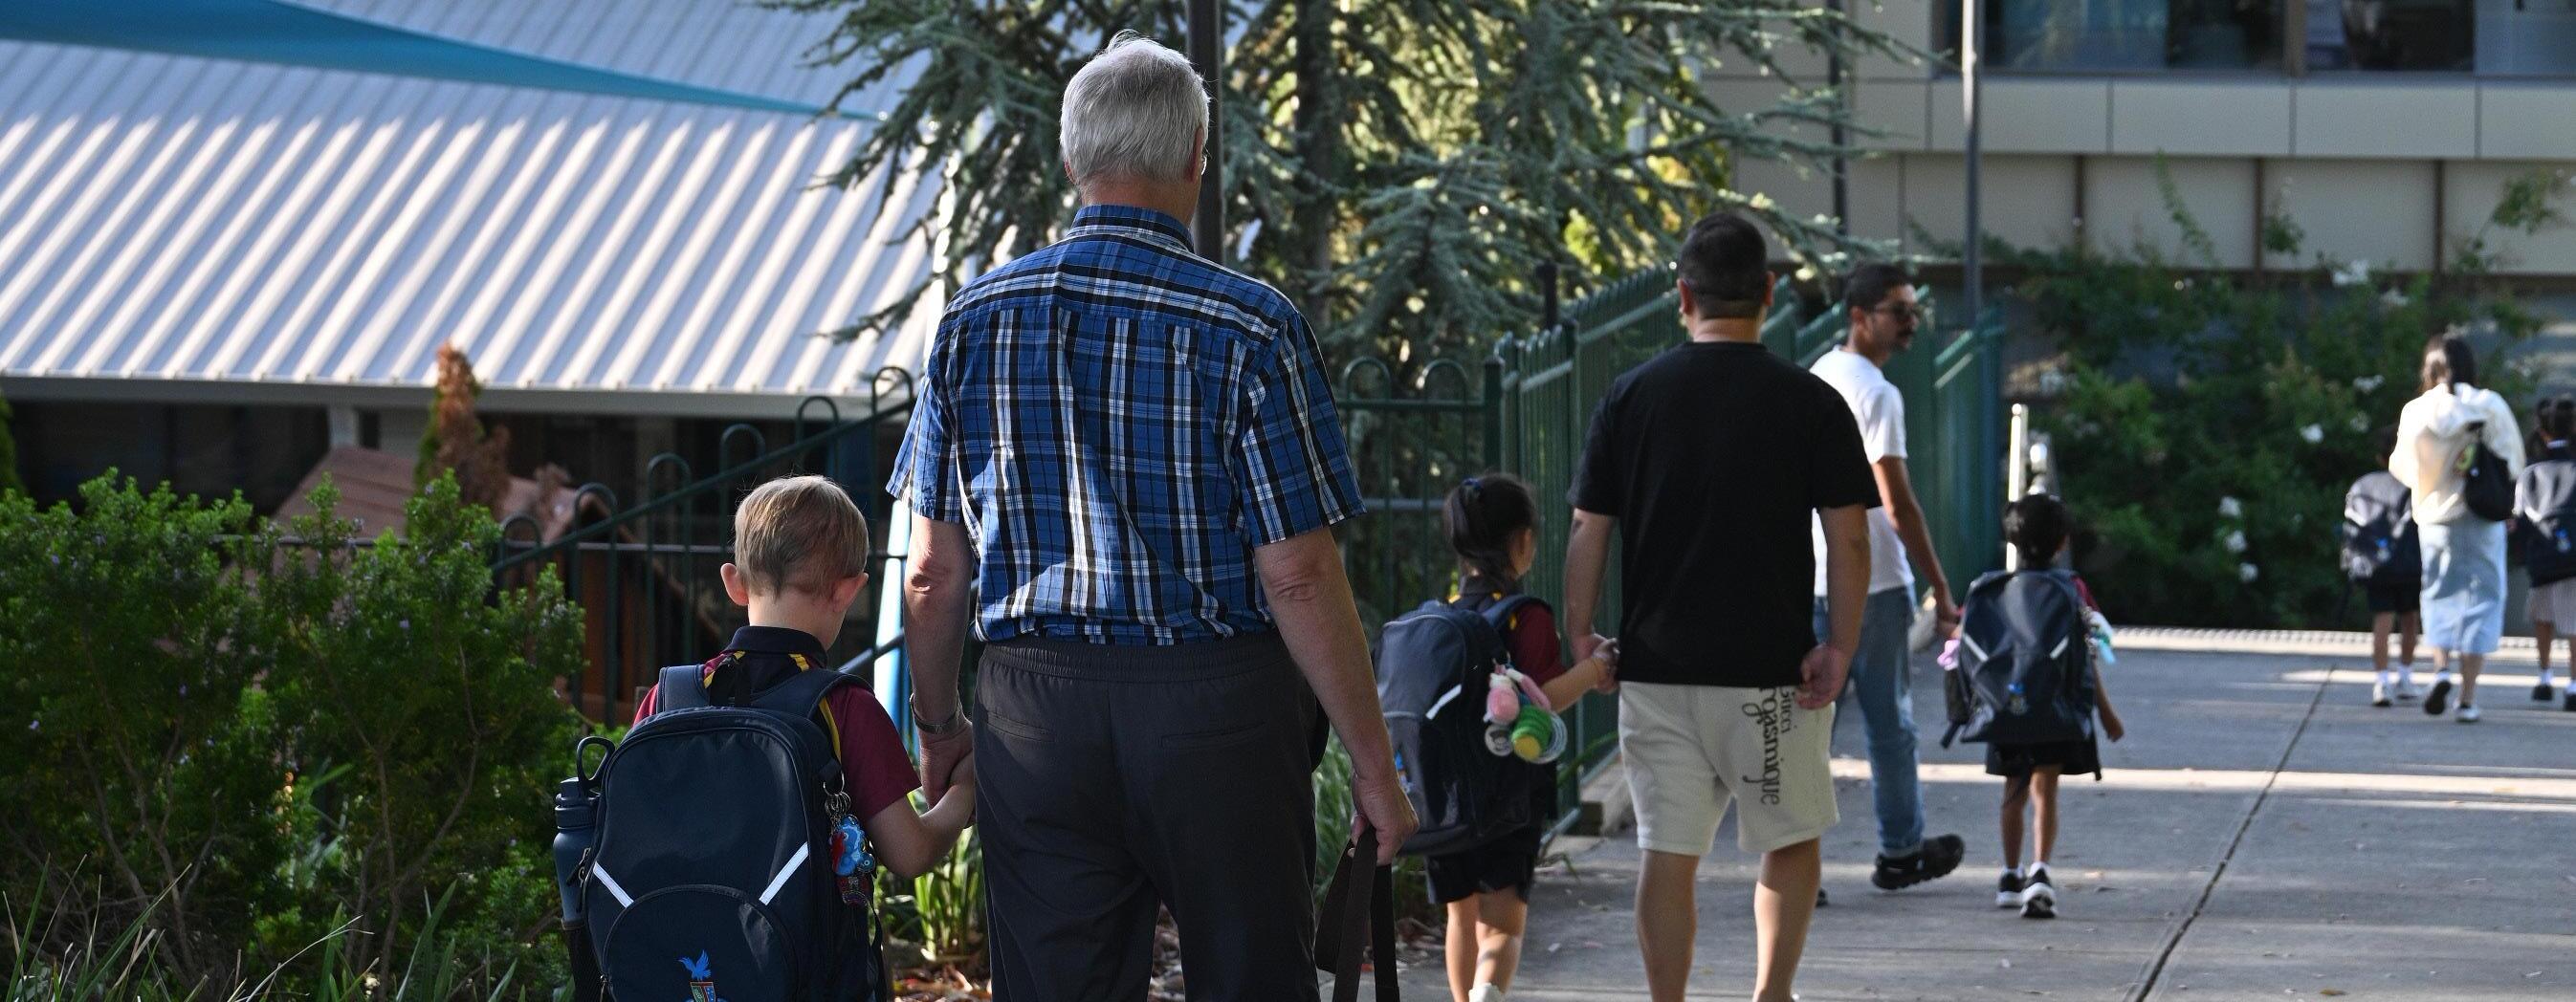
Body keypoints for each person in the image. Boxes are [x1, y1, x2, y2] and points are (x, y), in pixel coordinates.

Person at [886, 33, 1415, 1001]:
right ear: (1195, 159)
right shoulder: (1253, 327)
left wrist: (939, 722)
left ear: (1071, 159)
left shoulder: (972, 322)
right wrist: (1374, 770)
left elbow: (930, 573)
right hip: (1217, 714)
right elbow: (1299, 575)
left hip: (1033, 715)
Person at [1562, 211, 1878, 1002]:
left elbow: (1587, 527)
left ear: (1682, 296)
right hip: (1774, 675)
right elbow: (1848, 539)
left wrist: (1580, 633)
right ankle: (1770, 993)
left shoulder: (1629, 398)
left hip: (1656, 670)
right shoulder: (1810, 402)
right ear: (1767, 292)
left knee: (1667, 854)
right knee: (1789, 840)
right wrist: (1839, 645)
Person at [629, 475, 975, 879]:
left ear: (734, 583)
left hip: (667, 920)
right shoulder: (845, 707)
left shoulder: (668, 697)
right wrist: (965, 790)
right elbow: (909, 854)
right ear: (848, 592)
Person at [1806, 262, 1968, 892]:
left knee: (1806, 729)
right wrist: (1940, 585)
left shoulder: (1816, 375)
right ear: (1859, 316)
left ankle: (1796, 865)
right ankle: (1900, 850)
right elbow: (1895, 502)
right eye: (1898, 312)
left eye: (1913, 311)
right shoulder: (1877, 394)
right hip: (1871, 583)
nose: (1911, 324)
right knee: (1889, 726)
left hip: (1811, 576)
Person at [1430, 473, 1618, 1002]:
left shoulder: (1444, 616)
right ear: (1523, 542)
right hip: (1508, 796)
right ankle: (1488, 991)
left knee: (1460, 916)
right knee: (1504, 925)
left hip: (1446, 798)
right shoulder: (1527, 616)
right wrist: (1595, 669)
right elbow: (1544, 698)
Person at [1981, 495, 2125, 921]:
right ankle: (2040, 871)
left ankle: (2009, 875)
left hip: (2008, 706)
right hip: (2054, 708)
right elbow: (2087, 655)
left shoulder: (1997, 590)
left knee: (2013, 791)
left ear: (2012, 539)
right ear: (2062, 543)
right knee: (2045, 789)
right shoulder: (2072, 590)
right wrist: (2105, 711)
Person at [2390, 334, 2523, 724]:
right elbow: (2513, 460)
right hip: (2482, 515)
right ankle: (2467, 699)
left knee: (2439, 593)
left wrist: (2436, 475)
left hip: (2435, 517)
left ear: (2429, 368)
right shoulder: (2489, 405)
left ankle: (2440, 670)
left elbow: (2402, 467)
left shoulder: (2416, 411)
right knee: (2484, 598)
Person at [2345, 429, 2422, 708]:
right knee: (2410, 620)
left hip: (2376, 565)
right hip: (2410, 563)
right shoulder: (2416, 484)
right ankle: (2406, 676)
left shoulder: (2363, 485)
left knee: (2382, 621)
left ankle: (2381, 681)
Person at [2516, 396, 2576, 709]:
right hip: (2574, 559)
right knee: (2574, 621)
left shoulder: (2530, 472)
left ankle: (2544, 677)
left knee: (2542, 617)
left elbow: (2518, 518)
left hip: (2542, 556)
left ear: (2541, 432)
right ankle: (2574, 684)